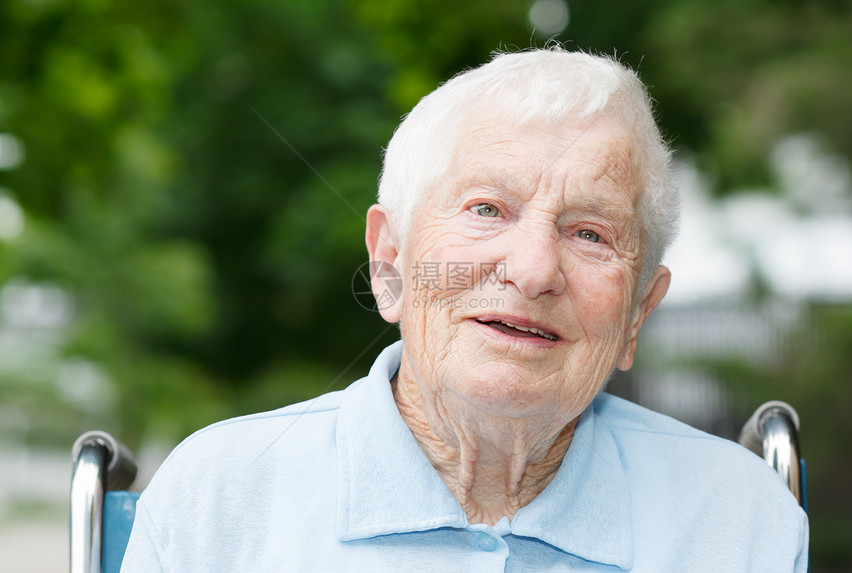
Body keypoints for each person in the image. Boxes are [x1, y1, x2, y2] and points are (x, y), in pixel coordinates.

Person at [120, 47, 808, 572]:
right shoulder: (218, 498)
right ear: (389, 264)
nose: (535, 269)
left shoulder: (741, 521)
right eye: (487, 209)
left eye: (590, 234)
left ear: (636, 315)